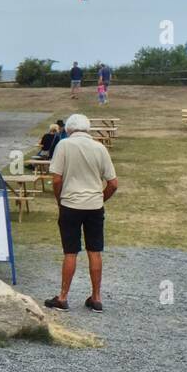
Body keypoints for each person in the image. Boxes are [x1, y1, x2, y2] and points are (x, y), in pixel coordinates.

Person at [45, 113, 118, 313]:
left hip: (70, 204)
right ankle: (96, 297)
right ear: (87, 129)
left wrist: (60, 200)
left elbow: (57, 179)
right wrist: (100, 198)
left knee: (71, 251)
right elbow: (113, 183)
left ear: (68, 129)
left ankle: (63, 297)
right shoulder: (99, 147)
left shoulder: (64, 146)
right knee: (94, 250)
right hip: (94, 205)